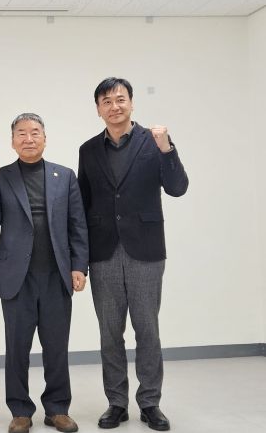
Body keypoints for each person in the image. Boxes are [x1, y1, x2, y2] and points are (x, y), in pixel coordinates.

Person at [78, 77, 189, 431]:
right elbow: (82, 204)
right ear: (98, 109)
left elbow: (177, 187)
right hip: (103, 252)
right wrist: (79, 258)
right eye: (106, 101)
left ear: (131, 103)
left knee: (147, 330)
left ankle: (150, 403)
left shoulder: (153, 142)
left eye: (120, 99)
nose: (114, 106)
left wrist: (167, 148)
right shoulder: (88, 150)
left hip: (146, 250)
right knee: (110, 333)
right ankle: (116, 403)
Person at [0, 113, 88, 433]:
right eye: (22, 133)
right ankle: (20, 411)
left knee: (56, 347)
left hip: (56, 275)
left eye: (35, 132)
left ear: (45, 138)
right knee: (17, 348)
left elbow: (78, 224)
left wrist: (79, 266)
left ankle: (57, 409)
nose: (29, 138)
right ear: (13, 140)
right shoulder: (1, 176)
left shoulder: (64, 176)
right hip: (17, 277)